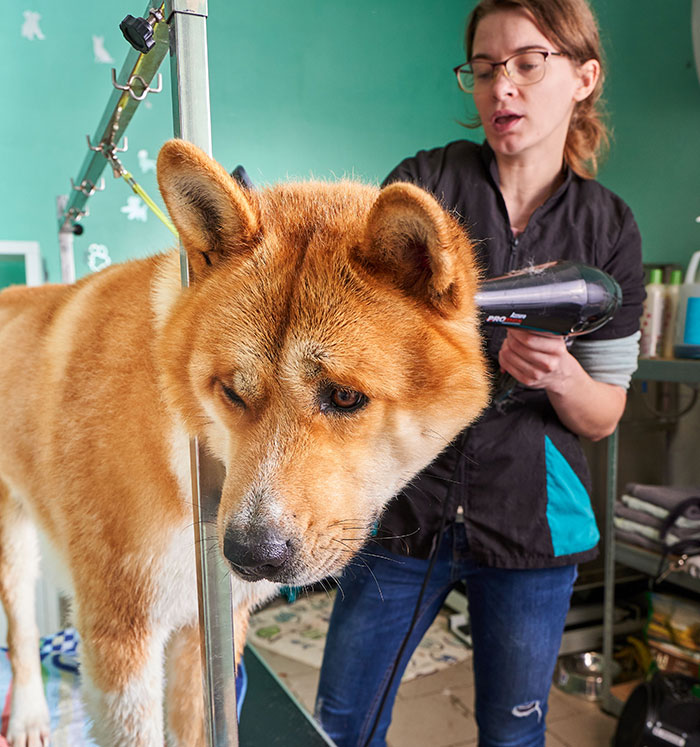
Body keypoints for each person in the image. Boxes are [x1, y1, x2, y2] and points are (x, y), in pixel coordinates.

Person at [314, 1, 646, 745]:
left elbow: (604, 413)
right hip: (406, 511)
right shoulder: (422, 188)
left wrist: (558, 374)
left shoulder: (609, 227)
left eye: (529, 63)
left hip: (533, 525)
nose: (503, 88)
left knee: (513, 734)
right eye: (487, 68)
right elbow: (367, 336)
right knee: (339, 724)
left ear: (583, 77)